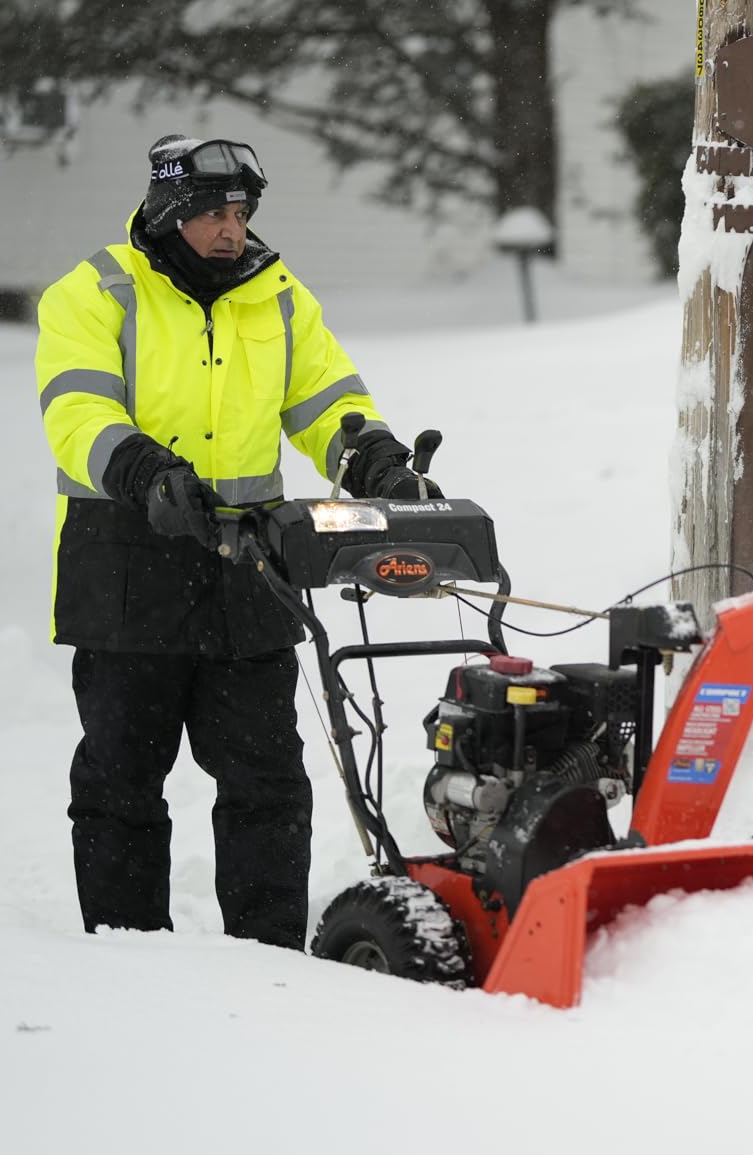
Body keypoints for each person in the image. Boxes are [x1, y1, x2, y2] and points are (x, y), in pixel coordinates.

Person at [34, 134, 442, 949]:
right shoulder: (97, 291)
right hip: (126, 560)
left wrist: (378, 464)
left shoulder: (276, 294)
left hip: (250, 565)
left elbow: (329, 401)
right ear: (169, 211)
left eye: (240, 213)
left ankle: (266, 958)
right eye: (215, 214)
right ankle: (125, 950)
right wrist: (149, 472)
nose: (232, 230)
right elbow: (76, 411)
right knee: (121, 778)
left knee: (266, 780)